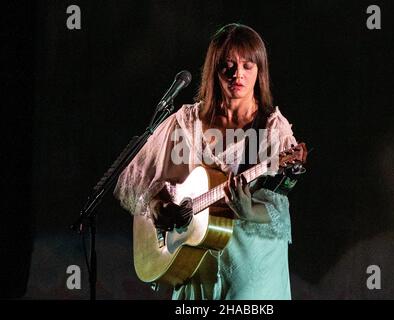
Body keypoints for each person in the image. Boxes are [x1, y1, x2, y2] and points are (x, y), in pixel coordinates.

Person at [114, 23, 307, 300]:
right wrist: (156, 203)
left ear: (259, 71)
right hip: (196, 270)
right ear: (213, 70)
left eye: (247, 66)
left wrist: (249, 210)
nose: (237, 74)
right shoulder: (187, 121)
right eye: (227, 66)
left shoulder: (271, 129)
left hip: (250, 274)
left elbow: (278, 209)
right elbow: (136, 175)